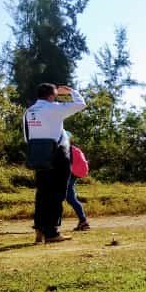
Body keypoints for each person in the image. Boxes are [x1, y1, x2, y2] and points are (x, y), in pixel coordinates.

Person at [23, 84, 86, 244]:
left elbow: (27, 137)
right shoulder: (54, 108)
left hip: (38, 155)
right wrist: (71, 91)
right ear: (52, 95)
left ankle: (39, 229)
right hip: (57, 154)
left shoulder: (28, 112)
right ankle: (52, 232)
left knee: (42, 193)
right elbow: (81, 104)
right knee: (57, 194)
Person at [67, 143, 91, 231]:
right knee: (70, 198)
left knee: (69, 198)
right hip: (75, 173)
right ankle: (83, 222)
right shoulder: (73, 149)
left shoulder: (66, 149)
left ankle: (83, 221)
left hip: (71, 173)